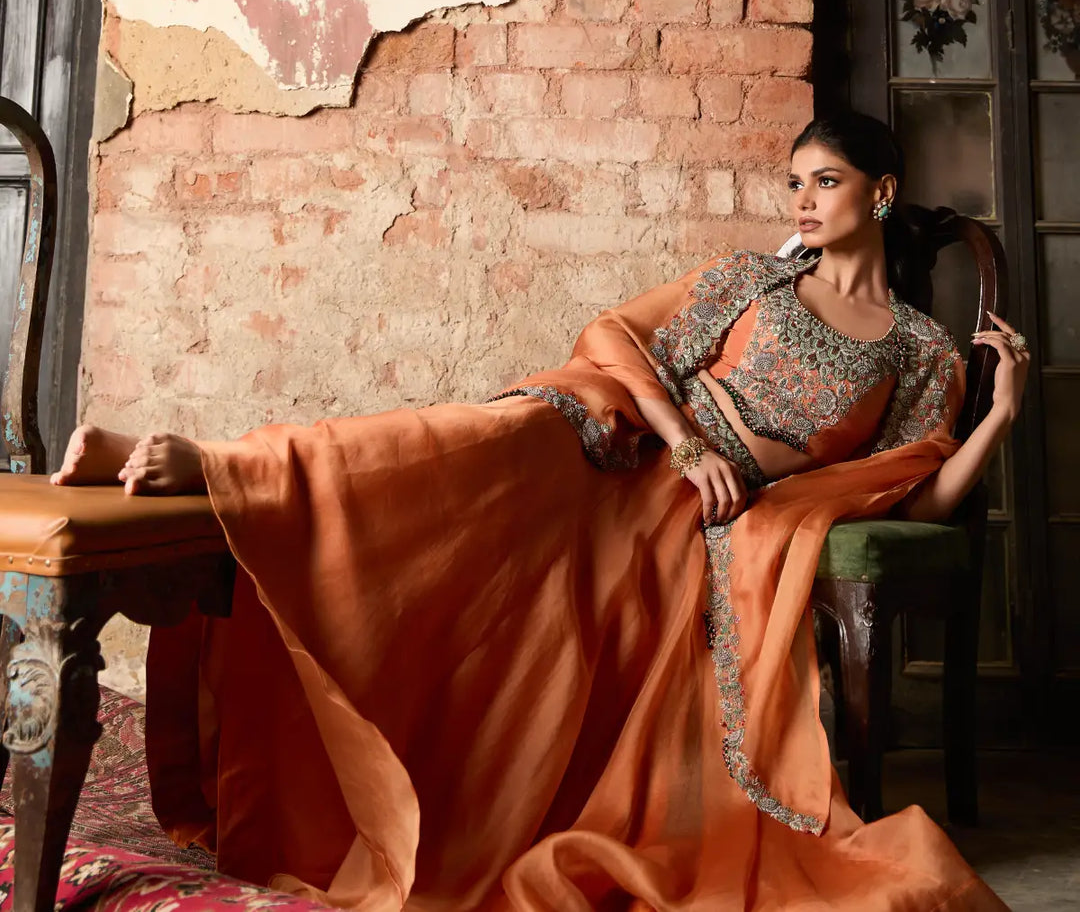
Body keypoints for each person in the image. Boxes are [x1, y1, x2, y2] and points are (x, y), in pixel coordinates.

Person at [54, 113, 1027, 912]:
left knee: (528, 619)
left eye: (825, 182)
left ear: (880, 193)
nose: (803, 202)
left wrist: (999, 418)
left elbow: (922, 492)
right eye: (794, 184)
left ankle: (231, 487)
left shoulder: (919, 351)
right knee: (447, 456)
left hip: (698, 520)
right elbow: (624, 338)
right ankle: (224, 466)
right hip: (626, 441)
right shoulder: (753, 280)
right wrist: (686, 446)